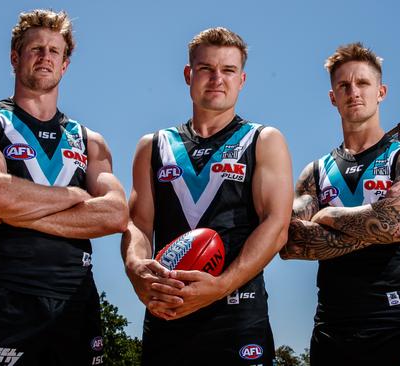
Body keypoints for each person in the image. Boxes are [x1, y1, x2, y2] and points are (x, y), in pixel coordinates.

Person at [0, 9, 128, 365]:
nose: (45, 56)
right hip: (3, 299)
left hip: (76, 302)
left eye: (54, 50)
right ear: (15, 57)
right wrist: (75, 198)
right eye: (36, 48)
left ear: (64, 65)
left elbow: (115, 214)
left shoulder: (89, 140)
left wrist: (20, 213)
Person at [121, 27, 293, 365]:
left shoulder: (263, 139)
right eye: (206, 69)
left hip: (238, 315)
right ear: (189, 74)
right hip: (168, 312)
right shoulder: (153, 145)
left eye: (228, 70)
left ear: (241, 79)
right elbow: (138, 224)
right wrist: (136, 270)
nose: (217, 79)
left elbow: (277, 226)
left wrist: (221, 285)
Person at [280, 43, 400, 365]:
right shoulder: (316, 172)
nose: (354, 92)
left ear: (380, 91)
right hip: (334, 328)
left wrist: (331, 214)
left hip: (397, 323)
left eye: (363, 83)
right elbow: (291, 241)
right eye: (343, 85)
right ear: (332, 97)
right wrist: (381, 222)